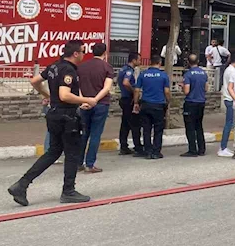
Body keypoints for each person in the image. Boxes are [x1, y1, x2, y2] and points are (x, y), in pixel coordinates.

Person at [8, 41, 97, 206]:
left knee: (53, 152)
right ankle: (68, 191)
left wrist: (48, 96)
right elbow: (65, 95)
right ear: (76, 54)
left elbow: (34, 81)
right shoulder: (68, 70)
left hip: (55, 114)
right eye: (83, 52)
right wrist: (87, 100)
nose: (84, 55)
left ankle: (21, 184)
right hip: (67, 118)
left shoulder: (54, 66)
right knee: (72, 154)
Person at [77, 42, 114, 173]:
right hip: (101, 104)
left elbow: (78, 86)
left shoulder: (81, 67)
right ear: (105, 52)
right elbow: (106, 88)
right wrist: (95, 100)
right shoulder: (107, 67)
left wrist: (83, 101)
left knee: (83, 134)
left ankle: (78, 163)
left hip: (84, 105)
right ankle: (90, 163)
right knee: (95, 134)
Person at [134, 55, 171, 159]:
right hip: (158, 105)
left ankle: (148, 151)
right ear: (159, 63)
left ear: (150, 62)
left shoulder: (143, 74)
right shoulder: (163, 76)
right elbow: (167, 91)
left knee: (146, 129)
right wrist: (168, 101)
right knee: (158, 129)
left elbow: (137, 90)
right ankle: (156, 151)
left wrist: (136, 103)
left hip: (145, 104)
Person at [181, 53, 209, 157]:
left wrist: (182, 86)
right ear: (198, 62)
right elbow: (206, 88)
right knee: (199, 126)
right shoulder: (203, 73)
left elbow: (186, 91)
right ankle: (202, 149)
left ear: (188, 62)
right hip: (201, 102)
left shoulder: (188, 74)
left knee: (190, 127)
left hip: (191, 102)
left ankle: (192, 149)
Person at [117, 52, 144, 156]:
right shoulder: (129, 70)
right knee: (135, 123)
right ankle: (137, 146)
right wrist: (134, 91)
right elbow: (125, 82)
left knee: (125, 123)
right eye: (139, 60)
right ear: (134, 60)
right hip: (129, 99)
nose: (140, 62)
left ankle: (123, 146)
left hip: (124, 98)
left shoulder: (122, 69)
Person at [218, 54, 235, 157]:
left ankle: (224, 147)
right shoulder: (232, 71)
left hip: (228, 98)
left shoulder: (229, 70)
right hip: (230, 99)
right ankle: (223, 147)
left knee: (230, 123)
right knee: (229, 123)